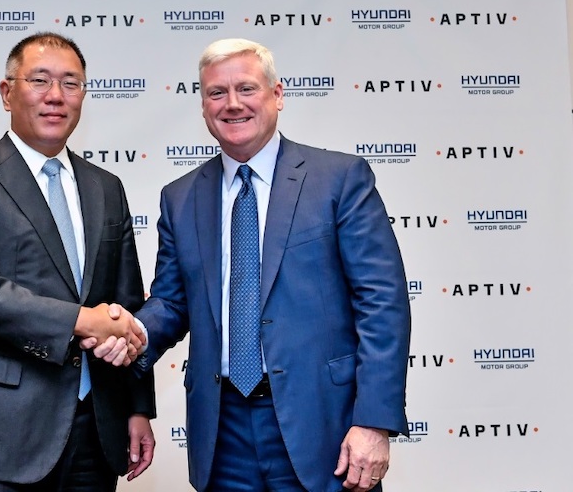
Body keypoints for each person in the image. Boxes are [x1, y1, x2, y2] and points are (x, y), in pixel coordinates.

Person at [89, 38, 411, 492]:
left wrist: (374, 422)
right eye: (217, 93)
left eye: (246, 88)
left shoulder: (339, 180)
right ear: (204, 107)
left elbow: (382, 303)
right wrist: (133, 333)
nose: (232, 104)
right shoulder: (180, 198)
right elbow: (172, 303)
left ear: (277, 95)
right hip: (223, 434)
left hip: (324, 426)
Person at [0, 31, 155, 492]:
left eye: (71, 83)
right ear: (7, 92)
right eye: (40, 80)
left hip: (96, 429)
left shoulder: (106, 187)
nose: (56, 95)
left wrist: (137, 407)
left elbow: (128, 303)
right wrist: (82, 320)